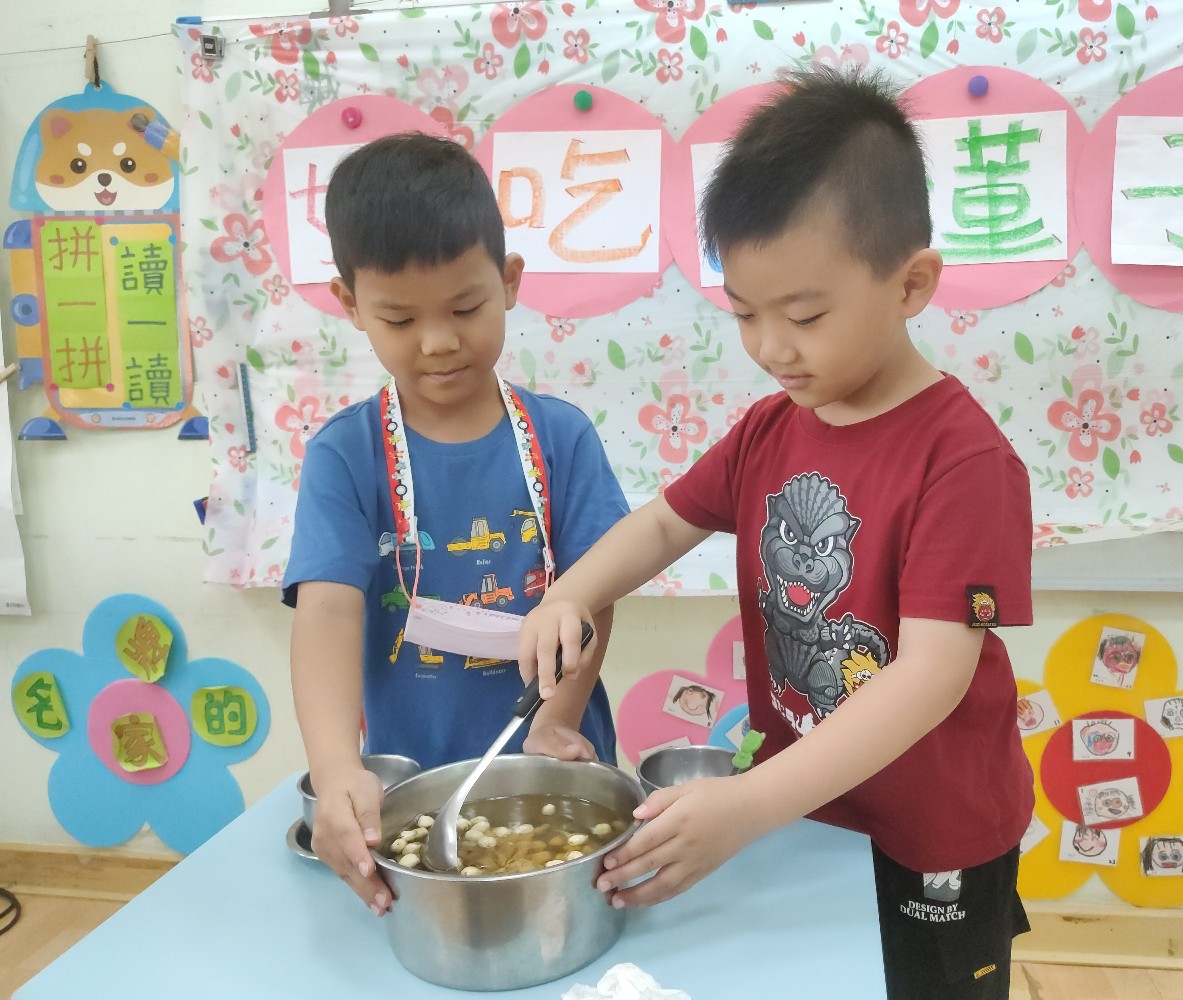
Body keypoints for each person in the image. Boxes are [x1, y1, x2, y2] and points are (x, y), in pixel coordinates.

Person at [518, 65, 1035, 1000]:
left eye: (803, 316)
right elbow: (664, 523)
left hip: (933, 838)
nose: (770, 347)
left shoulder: (962, 461)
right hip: (807, 810)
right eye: (745, 315)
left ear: (911, 283)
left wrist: (747, 802)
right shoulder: (770, 429)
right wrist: (573, 591)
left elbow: (931, 675)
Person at [284, 133, 628, 918]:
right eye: (399, 317)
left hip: (556, 766)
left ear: (509, 282)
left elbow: (595, 591)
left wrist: (556, 722)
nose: (438, 341)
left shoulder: (560, 438)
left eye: (465, 308)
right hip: (409, 781)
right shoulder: (344, 455)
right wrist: (334, 768)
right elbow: (326, 613)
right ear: (349, 304)